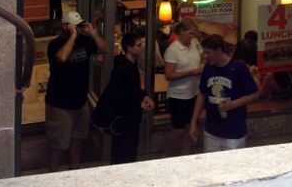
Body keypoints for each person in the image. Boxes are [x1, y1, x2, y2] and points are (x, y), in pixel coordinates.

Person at [45, 10, 108, 172]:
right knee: (58, 144)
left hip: (80, 101)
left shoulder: (85, 41)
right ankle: (52, 176)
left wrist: (93, 33)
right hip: (59, 103)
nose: (78, 29)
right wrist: (72, 37)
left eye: (79, 26)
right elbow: (62, 58)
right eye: (74, 26)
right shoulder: (54, 44)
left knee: (78, 137)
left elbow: (104, 49)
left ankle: (75, 168)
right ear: (65, 26)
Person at [189, 34, 260, 152]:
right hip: (211, 130)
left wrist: (233, 104)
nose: (205, 56)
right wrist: (193, 122)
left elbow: (254, 94)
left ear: (219, 51)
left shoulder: (238, 68)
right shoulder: (208, 68)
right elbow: (202, 94)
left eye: (208, 52)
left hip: (234, 131)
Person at [96, 32, 155, 164]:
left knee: (127, 150)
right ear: (129, 48)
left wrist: (144, 95)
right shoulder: (123, 67)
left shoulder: (130, 64)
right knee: (124, 152)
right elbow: (119, 94)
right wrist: (138, 103)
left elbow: (132, 89)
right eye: (138, 45)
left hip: (128, 116)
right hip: (124, 117)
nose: (142, 48)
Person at [163, 18, 203, 156]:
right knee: (178, 128)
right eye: (190, 33)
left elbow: (202, 56)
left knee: (190, 125)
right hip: (178, 95)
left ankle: (185, 152)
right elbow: (168, 75)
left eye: (194, 33)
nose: (192, 36)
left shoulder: (195, 43)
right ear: (181, 32)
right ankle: (167, 154)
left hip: (194, 92)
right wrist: (191, 72)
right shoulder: (173, 50)